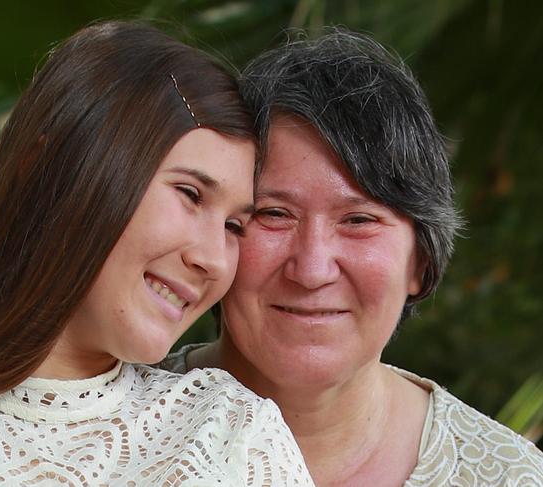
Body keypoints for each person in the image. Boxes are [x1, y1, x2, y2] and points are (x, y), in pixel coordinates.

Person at [0, 21, 315, 486]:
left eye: (235, 225)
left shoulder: (232, 435)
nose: (214, 260)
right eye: (191, 194)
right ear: (49, 172)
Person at [160, 28, 543, 485]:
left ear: (421, 261)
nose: (312, 270)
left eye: (359, 220)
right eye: (274, 214)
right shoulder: (87, 427)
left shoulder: (509, 476)